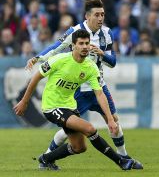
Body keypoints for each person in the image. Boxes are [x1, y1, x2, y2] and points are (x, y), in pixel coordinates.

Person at [25, 0, 143, 169]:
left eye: (103, 14)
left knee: (114, 121)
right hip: (79, 89)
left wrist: (101, 54)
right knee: (70, 128)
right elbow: (56, 47)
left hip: (98, 86)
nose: (101, 18)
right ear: (87, 16)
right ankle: (47, 156)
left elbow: (113, 62)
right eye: (97, 14)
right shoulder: (75, 31)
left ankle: (125, 157)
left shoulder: (107, 33)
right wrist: (38, 57)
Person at [14, 29, 134, 170]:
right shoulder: (59, 60)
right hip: (52, 106)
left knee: (79, 147)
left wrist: (110, 119)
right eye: (81, 43)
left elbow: (100, 94)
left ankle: (46, 159)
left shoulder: (90, 67)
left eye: (87, 43)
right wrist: (24, 101)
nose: (85, 46)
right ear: (73, 45)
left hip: (69, 106)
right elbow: (36, 77)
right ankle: (121, 161)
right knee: (90, 129)